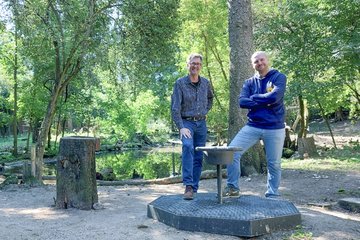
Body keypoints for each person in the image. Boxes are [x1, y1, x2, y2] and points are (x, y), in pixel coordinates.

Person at [223, 51, 287, 198]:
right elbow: (242, 102)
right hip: (253, 126)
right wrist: (266, 101)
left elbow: (276, 97)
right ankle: (232, 188)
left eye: (261, 60)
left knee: (274, 163)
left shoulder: (279, 77)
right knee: (231, 152)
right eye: (256, 61)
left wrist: (255, 98)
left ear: (267, 60)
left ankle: (272, 194)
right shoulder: (249, 82)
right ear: (253, 65)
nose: (259, 63)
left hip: (274, 127)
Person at [171, 53, 214, 200]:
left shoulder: (206, 83)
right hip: (186, 123)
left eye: (198, 63)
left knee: (199, 154)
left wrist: (205, 110)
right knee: (188, 147)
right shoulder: (180, 83)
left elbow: (210, 98)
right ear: (188, 65)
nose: (195, 66)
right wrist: (181, 127)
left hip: (201, 123)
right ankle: (188, 186)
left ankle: (194, 187)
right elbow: (175, 107)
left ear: (201, 66)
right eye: (192, 63)